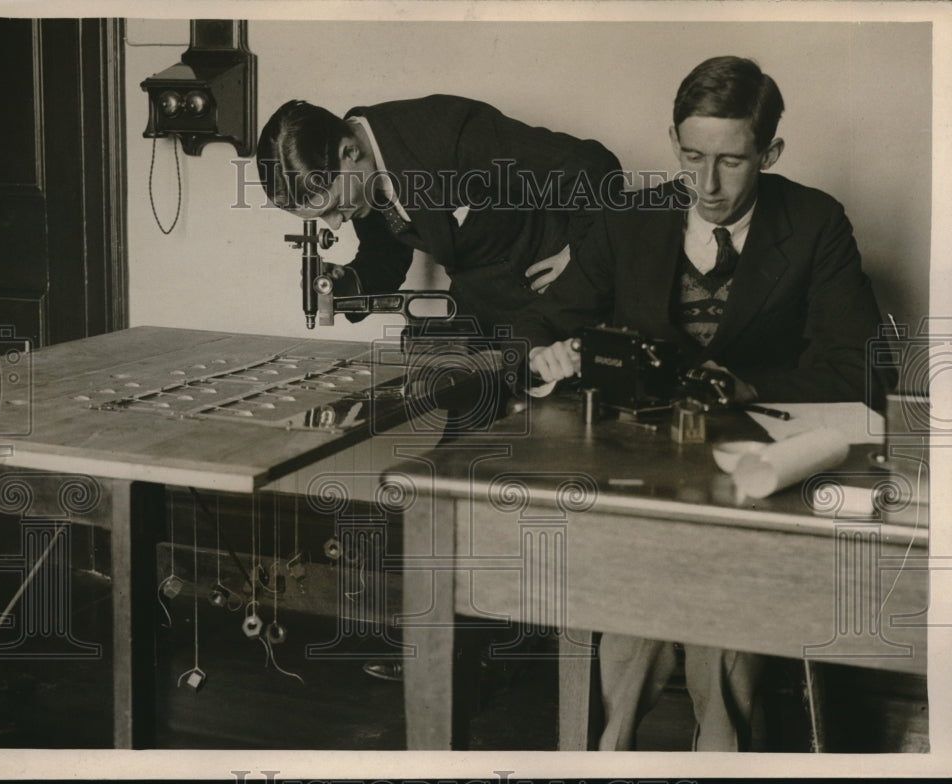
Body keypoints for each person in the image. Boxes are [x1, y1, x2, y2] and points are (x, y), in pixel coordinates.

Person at [514, 56, 888, 750]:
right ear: (673, 141)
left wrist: (750, 385)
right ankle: (627, 749)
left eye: (732, 161)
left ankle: (691, 748)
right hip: (637, 477)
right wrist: (544, 359)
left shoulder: (812, 223)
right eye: (691, 157)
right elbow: (538, 326)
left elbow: (862, 368)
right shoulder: (627, 219)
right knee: (648, 586)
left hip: (752, 478)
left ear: (769, 152)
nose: (708, 185)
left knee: (714, 598)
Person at [255, 95, 622, 335]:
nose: (336, 223)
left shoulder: (449, 133)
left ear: (349, 150)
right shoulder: (365, 173)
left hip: (563, 311)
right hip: (485, 316)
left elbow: (593, 169)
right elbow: (386, 252)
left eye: (334, 207)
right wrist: (345, 284)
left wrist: (581, 254)